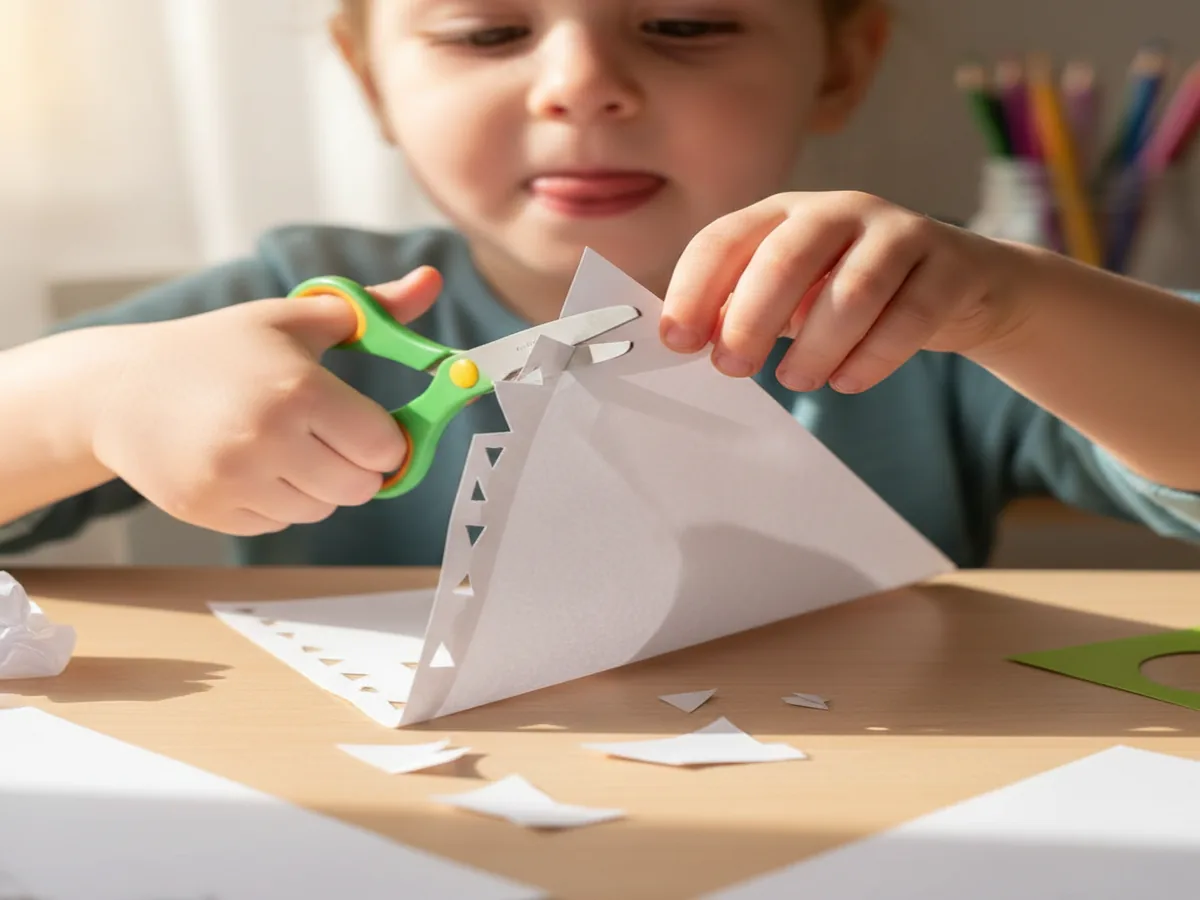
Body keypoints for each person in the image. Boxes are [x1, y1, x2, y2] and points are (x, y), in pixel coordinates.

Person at [2, 0, 1199, 568]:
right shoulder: (300, 303)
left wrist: (1016, 308)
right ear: (369, 81)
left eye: (682, 25)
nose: (580, 86)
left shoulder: (920, 308)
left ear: (842, 63)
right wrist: (87, 400)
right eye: (486, 35)